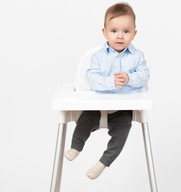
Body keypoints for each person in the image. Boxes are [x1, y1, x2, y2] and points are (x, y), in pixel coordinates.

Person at [64, 2, 150, 180]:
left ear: (134, 34)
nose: (120, 36)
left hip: (122, 108)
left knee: (121, 135)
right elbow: (92, 79)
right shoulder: (98, 57)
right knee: (84, 121)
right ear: (104, 32)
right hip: (98, 104)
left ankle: (102, 163)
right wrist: (111, 81)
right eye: (114, 31)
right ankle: (76, 146)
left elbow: (144, 76)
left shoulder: (137, 57)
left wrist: (129, 78)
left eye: (126, 31)